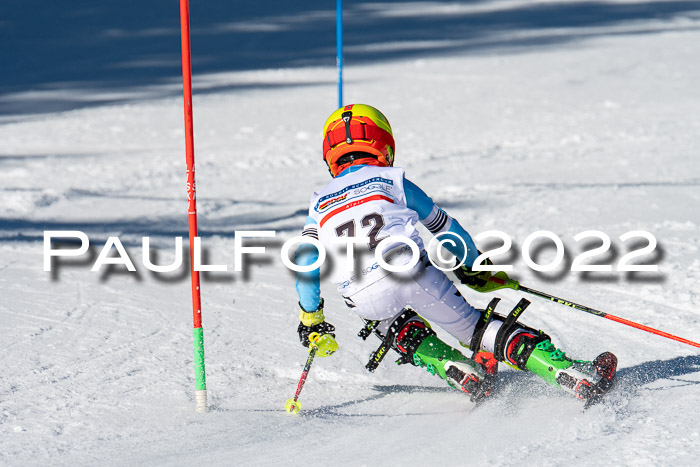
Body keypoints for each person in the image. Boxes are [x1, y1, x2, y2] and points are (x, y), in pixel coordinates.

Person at [293, 104, 616, 403]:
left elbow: (307, 261)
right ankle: (571, 373)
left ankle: (454, 367)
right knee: (477, 330)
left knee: (387, 319)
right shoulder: (390, 179)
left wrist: (312, 318)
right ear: (385, 144)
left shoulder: (319, 202)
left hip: (360, 295)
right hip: (410, 272)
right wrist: (473, 268)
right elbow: (444, 227)